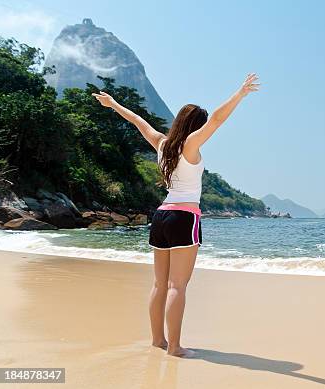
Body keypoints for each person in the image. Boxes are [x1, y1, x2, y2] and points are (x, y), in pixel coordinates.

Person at [92, 73, 260, 357]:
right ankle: (176, 347)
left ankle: (157, 341)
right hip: (184, 217)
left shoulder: (161, 145)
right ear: (195, 127)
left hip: (161, 216)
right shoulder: (190, 146)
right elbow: (217, 119)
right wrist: (239, 94)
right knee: (177, 286)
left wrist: (113, 104)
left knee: (160, 284)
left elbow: (136, 120)